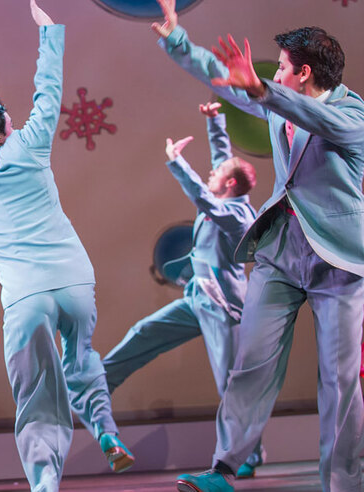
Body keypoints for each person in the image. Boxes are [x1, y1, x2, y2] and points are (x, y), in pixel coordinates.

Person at [0, 2, 132, 490]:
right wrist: (49, 34)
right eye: (9, 123)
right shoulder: (28, 147)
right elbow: (49, 91)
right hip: (76, 281)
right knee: (81, 360)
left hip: (27, 297)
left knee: (37, 392)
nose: (15, 126)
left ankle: (45, 482)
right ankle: (107, 433)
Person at [150, 1, 364, 491]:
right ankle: (225, 469)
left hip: (340, 258)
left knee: (340, 382)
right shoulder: (275, 99)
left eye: (284, 68)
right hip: (281, 250)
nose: (276, 73)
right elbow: (221, 75)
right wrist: (176, 38)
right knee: (251, 363)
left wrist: (263, 90)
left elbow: (319, 121)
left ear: (303, 72)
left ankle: (343, 483)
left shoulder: (353, 113)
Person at [102, 102, 261, 477]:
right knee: (145, 332)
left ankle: (246, 456)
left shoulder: (237, 214)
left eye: (217, 173)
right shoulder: (226, 193)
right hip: (198, 297)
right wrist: (214, 121)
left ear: (230, 185)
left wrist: (177, 162)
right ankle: (95, 387)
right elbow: (224, 159)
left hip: (223, 307)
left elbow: (204, 197)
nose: (212, 171)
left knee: (229, 385)